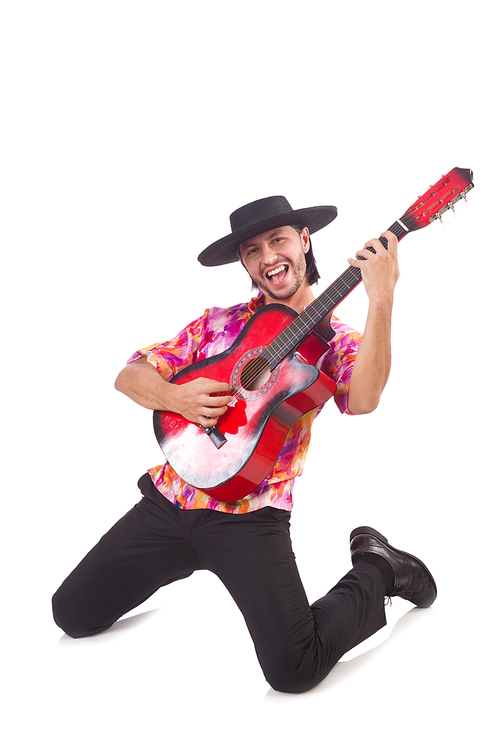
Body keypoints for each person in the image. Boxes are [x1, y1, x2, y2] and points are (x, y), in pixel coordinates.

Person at [52, 195, 436, 693]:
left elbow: (363, 399)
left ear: (303, 241)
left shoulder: (333, 342)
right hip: (169, 505)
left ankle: (380, 569)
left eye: (278, 240)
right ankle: (175, 559)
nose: (267, 256)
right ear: (244, 264)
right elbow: (129, 376)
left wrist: (381, 300)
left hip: (251, 519)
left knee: (294, 670)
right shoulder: (219, 324)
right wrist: (175, 396)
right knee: (73, 614)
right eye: (252, 249)